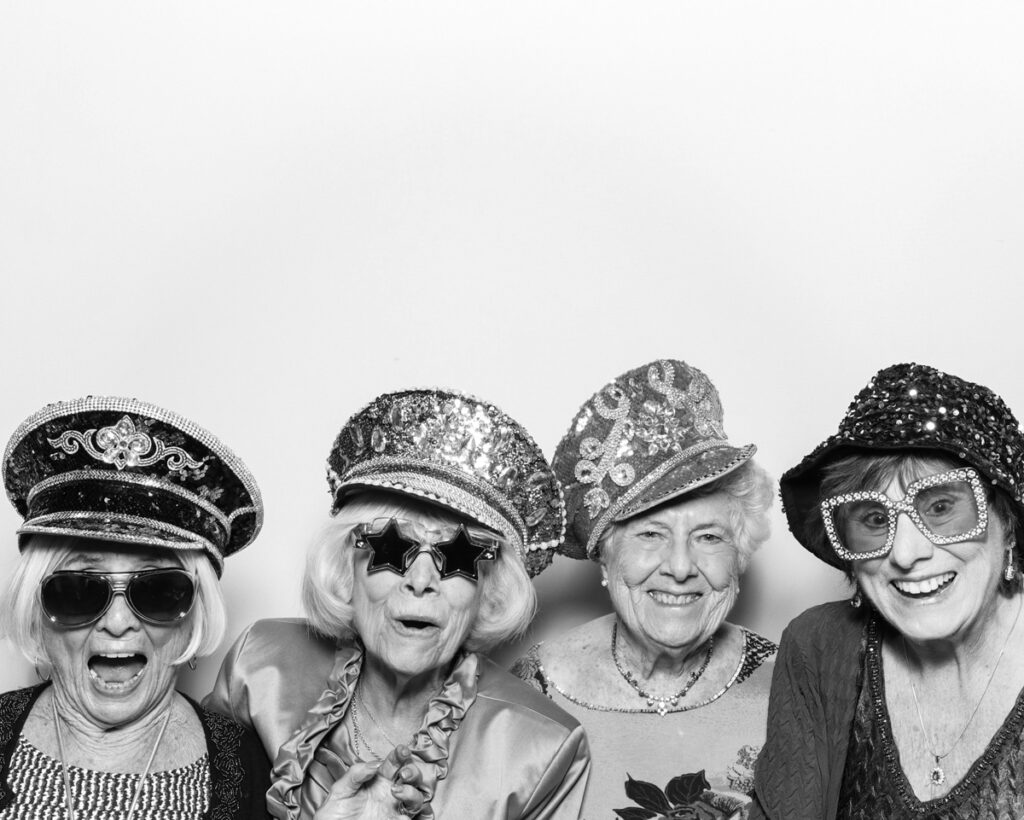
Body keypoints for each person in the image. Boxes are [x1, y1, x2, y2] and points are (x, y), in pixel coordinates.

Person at [205, 388, 591, 819]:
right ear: (346, 566)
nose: (421, 581)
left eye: (458, 556)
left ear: (489, 591)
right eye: (391, 546)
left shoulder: (542, 748)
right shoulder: (259, 669)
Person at [753, 363, 1024, 819]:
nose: (905, 552)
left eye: (941, 508)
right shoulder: (817, 647)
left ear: (1009, 525)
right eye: (875, 520)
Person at [512, 359, 776, 819]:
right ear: (606, 558)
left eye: (709, 537)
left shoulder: (793, 683)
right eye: (651, 534)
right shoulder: (534, 689)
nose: (679, 567)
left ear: (739, 557)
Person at [0, 396, 271, 819]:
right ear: (34, 606)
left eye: (159, 590)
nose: (119, 623)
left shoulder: (253, 768)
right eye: (78, 590)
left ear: (196, 612)